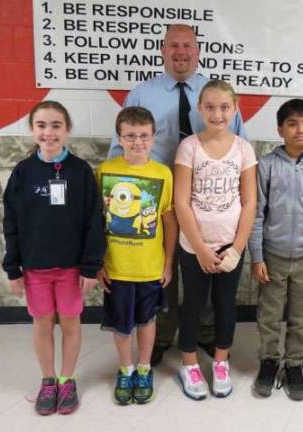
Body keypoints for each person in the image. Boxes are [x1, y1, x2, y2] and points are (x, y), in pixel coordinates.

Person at [107, 24, 247, 365]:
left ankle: (203, 332)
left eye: (188, 45)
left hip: (208, 201)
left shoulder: (213, 96)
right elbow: (118, 152)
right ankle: (161, 333)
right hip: (155, 200)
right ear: (163, 50)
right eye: (174, 45)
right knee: (163, 269)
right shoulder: (141, 94)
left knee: (205, 269)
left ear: (197, 51)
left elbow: (239, 148)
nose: (181, 51)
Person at [2, 100, 105, 415]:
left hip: (72, 269)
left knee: (71, 323)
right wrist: (13, 268)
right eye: (41, 125)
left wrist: (91, 266)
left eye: (56, 125)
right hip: (35, 268)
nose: (48, 132)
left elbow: (93, 221)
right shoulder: (23, 172)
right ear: (32, 130)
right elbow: (12, 222)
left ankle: (67, 378)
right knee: (42, 323)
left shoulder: (80, 171)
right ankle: (48, 380)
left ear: (68, 129)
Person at [173, 80, 257, 400]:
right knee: (193, 304)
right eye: (210, 107)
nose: (217, 113)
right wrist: (199, 248)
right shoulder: (189, 147)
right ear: (199, 108)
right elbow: (181, 202)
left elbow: (250, 202)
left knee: (225, 305)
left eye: (224, 107)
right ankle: (190, 363)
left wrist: (236, 248)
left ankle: (221, 361)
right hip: (194, 246)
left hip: (230, 246)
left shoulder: (243, 148)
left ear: (235, 109)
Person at [248, 99, 303, 401]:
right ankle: (269, 361)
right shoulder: (268, 166)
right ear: (280, 129)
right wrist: (257, 256)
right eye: (292, 124)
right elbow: (257, 214)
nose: (300, 130)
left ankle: (295, 364)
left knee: (301, 314)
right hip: (272, 254)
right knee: (270, 313)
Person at [96, 107, 178, 405]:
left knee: (146, 320)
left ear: (154, 137)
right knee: (120, 323)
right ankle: (125, 368)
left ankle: (144, 368)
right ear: (119, 138)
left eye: (144, 136)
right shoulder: (104, 171)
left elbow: (168, 220)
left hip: (150, 267)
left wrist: (168, 262)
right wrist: (97, 264)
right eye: (130, 136)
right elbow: (94, 221)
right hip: (116, 267)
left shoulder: (162, 174)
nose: (137, 142)